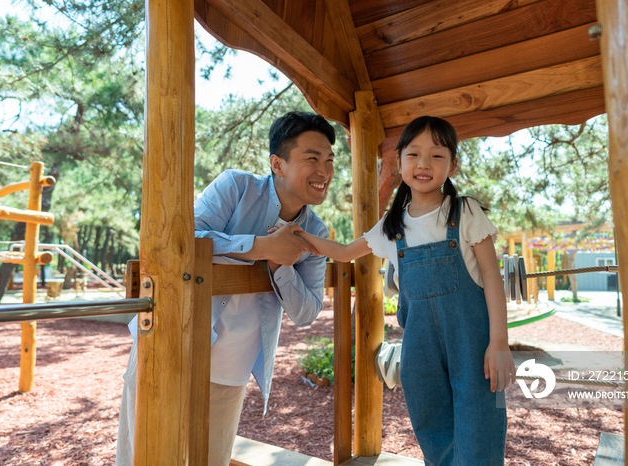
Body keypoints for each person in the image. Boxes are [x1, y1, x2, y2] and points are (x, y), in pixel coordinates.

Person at [115, 111, 336, 466]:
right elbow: (184, 239)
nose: (324, 171)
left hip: (232, 372)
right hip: (170, 349)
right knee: (143, 458)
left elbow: (308, 312)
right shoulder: (236, 186)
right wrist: (263, 247)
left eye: (329, 160)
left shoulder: (317, 233)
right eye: (312, 158)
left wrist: (282, 265)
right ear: (277, 164)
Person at [294, 116, 515, 465]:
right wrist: (299, 235)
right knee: (434, 433)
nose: (424, 164)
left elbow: (492, 277)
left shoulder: (465, 211)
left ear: (453, 165)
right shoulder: (392, 226)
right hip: (420, 353)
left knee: (479, 433)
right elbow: (344, 252)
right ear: (398, 163)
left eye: (437, 156)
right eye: (413, 154)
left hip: (473, 347)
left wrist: (499, 343)